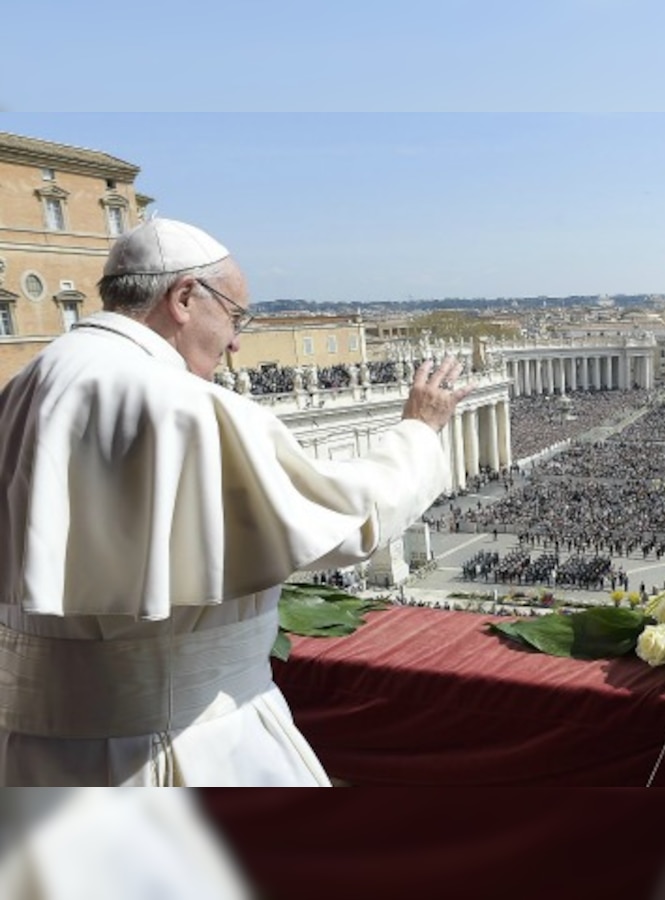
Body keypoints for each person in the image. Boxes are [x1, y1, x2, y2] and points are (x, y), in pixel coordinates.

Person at [0, 217, 470, 786]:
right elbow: (347, 521)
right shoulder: (187, 406)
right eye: (234, 316)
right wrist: (417, 432)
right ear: (183, 297)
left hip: (34, 755)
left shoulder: (26, 385)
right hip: (183, 745)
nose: (237, 341)